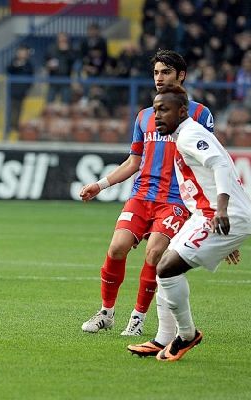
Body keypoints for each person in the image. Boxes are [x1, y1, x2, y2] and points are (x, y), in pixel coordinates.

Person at [80, 50, 214, 336]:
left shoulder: (201, 115)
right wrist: (100, 185)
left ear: (181, 75)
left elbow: (209, 165)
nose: (159, 77)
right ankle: (106, 313)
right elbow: (133, 162)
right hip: (142, 196)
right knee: (117, 247)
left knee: (154, 253)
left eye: (165, 72)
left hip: (175, 201)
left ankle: (137, 319)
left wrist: (213, 212)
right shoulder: (144, 116)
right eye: (156, 72)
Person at [128, 84, 251, 361]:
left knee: (168, 268)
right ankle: (162, 339)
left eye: (165, 110)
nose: (157, 116)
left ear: (182, 111)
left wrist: (222, 211)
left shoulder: (189, 135)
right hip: (206, 215)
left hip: (217, 214)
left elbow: (220, 164)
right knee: (164, 265)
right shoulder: (182, 134)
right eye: (155, 110)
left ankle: (186, 335)